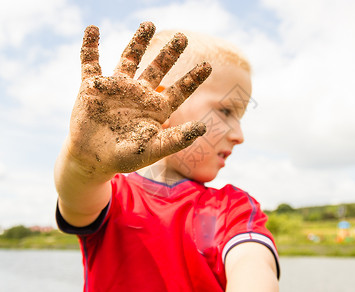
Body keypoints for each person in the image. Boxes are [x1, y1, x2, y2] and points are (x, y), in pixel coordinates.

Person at [54, 21, 280, 292]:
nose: (239, 135)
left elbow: (252, 265)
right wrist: (83, 163)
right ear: (160, 104)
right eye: (227, 112)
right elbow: (77, 193)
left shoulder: (232, 209)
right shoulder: (114, 198)